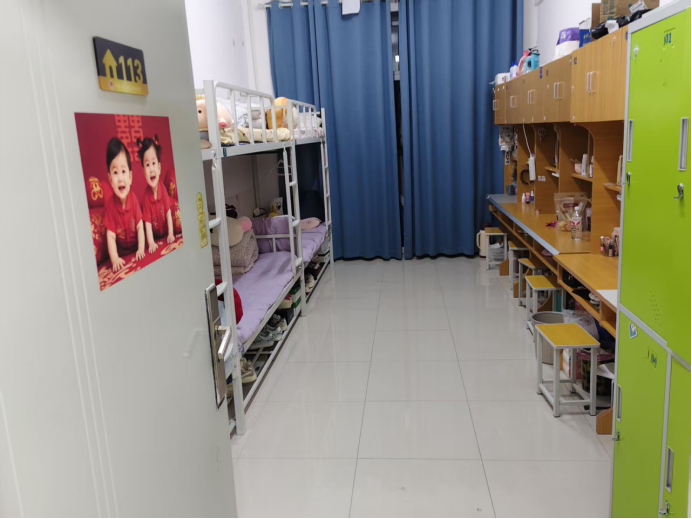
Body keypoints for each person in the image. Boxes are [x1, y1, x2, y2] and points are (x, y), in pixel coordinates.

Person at [104, 138, 145, 272]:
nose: (120, 178)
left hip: (135, 248)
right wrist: (115, 258)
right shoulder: (110, 206)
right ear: (110, 179)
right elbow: (110, 236)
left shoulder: (133, 200)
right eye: (115, 173)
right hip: (121, 254)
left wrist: (141, 248)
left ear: (130, 177)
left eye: (123, 171)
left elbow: (140, 227)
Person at [137, 135, 175, 253]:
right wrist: (151, 242)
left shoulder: (162, 189)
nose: (151, 169)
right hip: (156, 234)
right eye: (147, 165)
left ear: (159, 168)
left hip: (165, 230)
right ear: (144, 172)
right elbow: (147, 223)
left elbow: (168, 213)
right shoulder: (146, 197)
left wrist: (170, 233)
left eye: (153, 163)